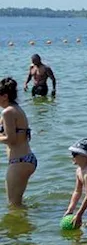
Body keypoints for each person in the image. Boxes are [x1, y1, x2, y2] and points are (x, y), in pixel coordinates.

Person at [0, 78, 37, 207]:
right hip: (26, 159)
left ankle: (21, 226)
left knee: (13, 206)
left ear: (5, 96)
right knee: (17, 204)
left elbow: (11, 139)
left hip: (19, 161)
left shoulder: (7, 112)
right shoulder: (15, 108)